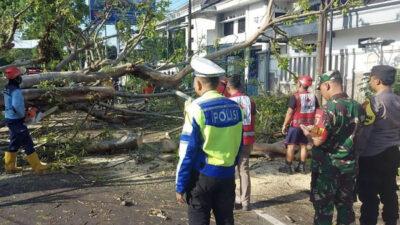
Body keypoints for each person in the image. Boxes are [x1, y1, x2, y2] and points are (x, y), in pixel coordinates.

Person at [175, 57, 243, 225]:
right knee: (226, 220)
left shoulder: (196, 109)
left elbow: (187, 152)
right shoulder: (236, 108)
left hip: (202, 177)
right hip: (227, 176)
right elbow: (238, 144)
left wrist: (180, 184)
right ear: (219, 83)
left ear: (198, 83)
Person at [300, 71, 364, 225]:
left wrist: (307, 132)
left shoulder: (328, 109)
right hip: (349, 167)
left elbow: (317, 140)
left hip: (328, 169)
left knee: (323, 210)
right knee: (346, 208)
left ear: (327, 85)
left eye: (321, 88)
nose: (321, 92)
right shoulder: (358, 106)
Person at [356, 65, 400, 225]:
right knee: (389, 191)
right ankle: (391, 222)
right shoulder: (398, 100)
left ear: (377, 80)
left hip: (372, 156)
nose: (370, 81)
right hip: (393, 153)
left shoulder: (373, 103)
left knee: (369, 196)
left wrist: (357, 153)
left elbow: (365, 133)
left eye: (371, 78)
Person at [3, 67, 51, 174]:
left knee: (14, 142)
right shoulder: (16, 91)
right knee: (27, 141)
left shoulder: (7, 88)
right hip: (16, 120)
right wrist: (24, 116)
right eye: (19, 76)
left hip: (10, 118)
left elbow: (11, 104)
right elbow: (16, 106)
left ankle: (10, 167)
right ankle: (37, 166)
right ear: (16, 77)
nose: (20, 78)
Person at [226, 75, 256, 211]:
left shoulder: (227, 101)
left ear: (228, 87)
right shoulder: (249, 101)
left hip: (232, 140)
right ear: (241, 86)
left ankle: (231, 201)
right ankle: (245, 202)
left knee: (230, 171)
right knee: (244, 170)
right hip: (247, 139)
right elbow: (253, 120)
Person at [280, 75, 318, 174]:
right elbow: (318, 111)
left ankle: (288, 167)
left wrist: (284, 125)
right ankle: (302, 167)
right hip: (308, 127)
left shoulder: (295, 97)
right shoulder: (313, 97)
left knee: (291, 146)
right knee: (304, 145)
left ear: (300, 84)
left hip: (295, 126)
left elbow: (289, 112)